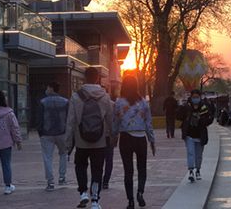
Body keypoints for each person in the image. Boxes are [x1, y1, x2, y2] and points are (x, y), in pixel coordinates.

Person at [65, 67, 113, 209]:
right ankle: (95, 200)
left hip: (81, 141)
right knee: (97, 169)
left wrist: (68, 143)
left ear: (85, 78)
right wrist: (113, 136)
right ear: (98, 78)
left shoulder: (76, 96)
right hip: (99, 141)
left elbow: (70, 121)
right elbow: (110, 119)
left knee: (80, 166)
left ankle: (83, 193)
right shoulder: (104, 96)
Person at [113, 75, 155, 209]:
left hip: (125, 138)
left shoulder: (119, 103)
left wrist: (114, 137)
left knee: (128, 170)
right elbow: (149, 123)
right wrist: (151, 140)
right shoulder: (143, 102)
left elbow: (115, 122)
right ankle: (140, 192)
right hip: (141, 138)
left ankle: (130, 201)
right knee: (142, 168)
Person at [37, 82, 69, 191]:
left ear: (51, 88)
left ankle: (50, 182)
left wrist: (40, 132)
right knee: (63, 154)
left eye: (47, 87)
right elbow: (69, 118)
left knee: (47, 157)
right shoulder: (65, 102)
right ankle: (62, 177)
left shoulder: (43, 102)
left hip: (46, 133)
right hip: (62, 132)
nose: (46, 89)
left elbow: (40, 118)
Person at [176, 89, 214, 183]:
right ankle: (191, 171)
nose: (195, 99)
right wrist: (181, 109)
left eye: (197, 97)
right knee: (190, 153)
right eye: (194, 97)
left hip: (200, 135)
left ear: (200, 97)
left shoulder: (204, 107)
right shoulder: (186, 107)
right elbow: (178, 116)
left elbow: (210, 118)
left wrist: (201, 121)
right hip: (189, 134)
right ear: (191, 97)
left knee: (198, 155)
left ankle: (198, 170)